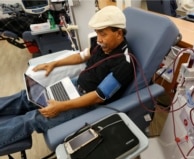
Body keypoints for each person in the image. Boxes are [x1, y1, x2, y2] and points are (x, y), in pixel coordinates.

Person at [0, 6, 134, 148]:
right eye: (97, 33)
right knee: (27, 96)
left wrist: (61, 106)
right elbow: (81, 56)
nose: (99, 39)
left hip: (87, 104)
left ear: (119, 33)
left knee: (33, 118)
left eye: (103, 34)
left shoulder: (124, 64)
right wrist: (53, 63)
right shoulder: (101, 44)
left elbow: (98, 96)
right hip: (74, 86)